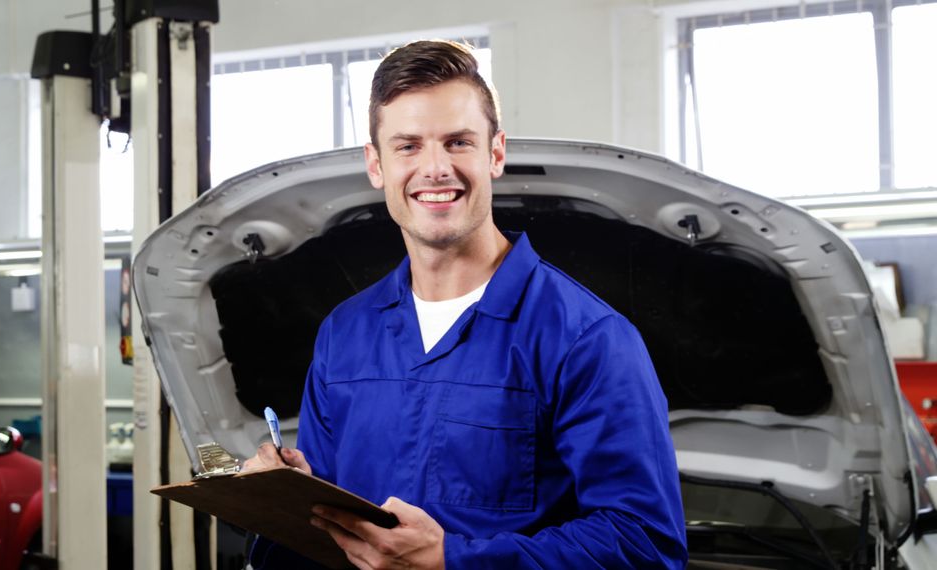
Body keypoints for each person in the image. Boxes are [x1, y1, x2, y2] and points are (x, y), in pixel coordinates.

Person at [244, 39, 687, 569]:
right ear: (376, 164)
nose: (435, 169)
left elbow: (645, 546)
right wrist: (284, 496)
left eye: (457, 142)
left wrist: (451, 560)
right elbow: (329, 524)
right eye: (408, 145)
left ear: (495, 153)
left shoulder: (585, 338)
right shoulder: (345, 332)